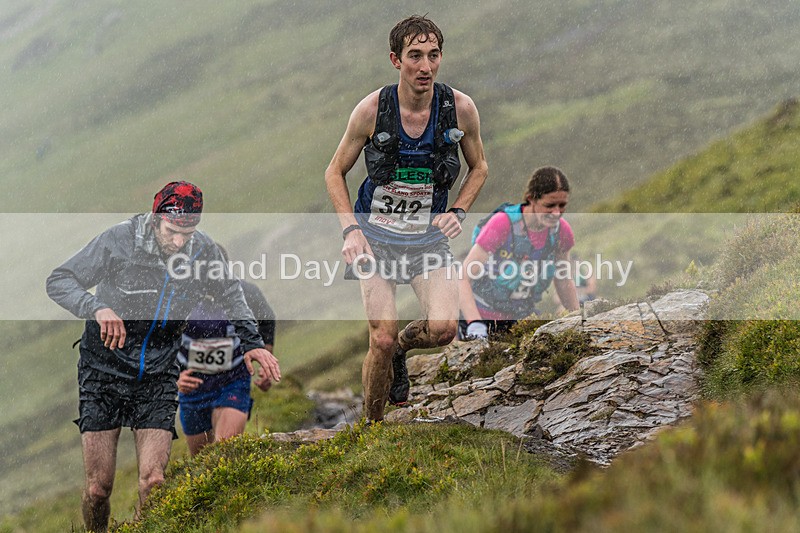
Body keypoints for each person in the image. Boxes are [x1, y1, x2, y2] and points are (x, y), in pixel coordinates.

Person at [45, 181, 281, 533]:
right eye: (173, 232)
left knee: (154, 481)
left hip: (158, 374)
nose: (180, 242)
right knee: (98, 489)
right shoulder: (119, 241)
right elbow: (59, 279)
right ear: (157, 219)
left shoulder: (203, 252)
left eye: (188, 233)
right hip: (103, 372)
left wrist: (253, 343)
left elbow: (233, 294)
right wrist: (95, 307)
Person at [325, 15, 488, 420]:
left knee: (444, 329)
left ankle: (402, 348)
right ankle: (372, 427)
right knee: (379, 339)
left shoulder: (460, 110)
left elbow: (479, 167)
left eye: (433, 55)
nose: (425, 66)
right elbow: (334, 172)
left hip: (426, 241)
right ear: (396, 60)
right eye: (415, 55)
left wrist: (458, 209)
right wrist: (350, 231)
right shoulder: (371, 111)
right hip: (375, 239)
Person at [177, 246, 277, 456]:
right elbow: (159, 340)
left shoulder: (246, 293)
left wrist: (266, 361)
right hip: (193, 386)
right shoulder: (179, 298)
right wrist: (175, 377)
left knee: (224, 454)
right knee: (201, 460)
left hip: (233, 380)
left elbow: (267, 321)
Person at [459, 166, 579, 339]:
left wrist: (576, 320)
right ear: (531, 199)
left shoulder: (561, 232)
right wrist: (474, 323)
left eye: (562, 206)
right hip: (480, 318)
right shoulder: (502, 224)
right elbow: (463, 277)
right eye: (549, 205)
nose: (556, 213)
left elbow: (563, 280)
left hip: (520, 320)